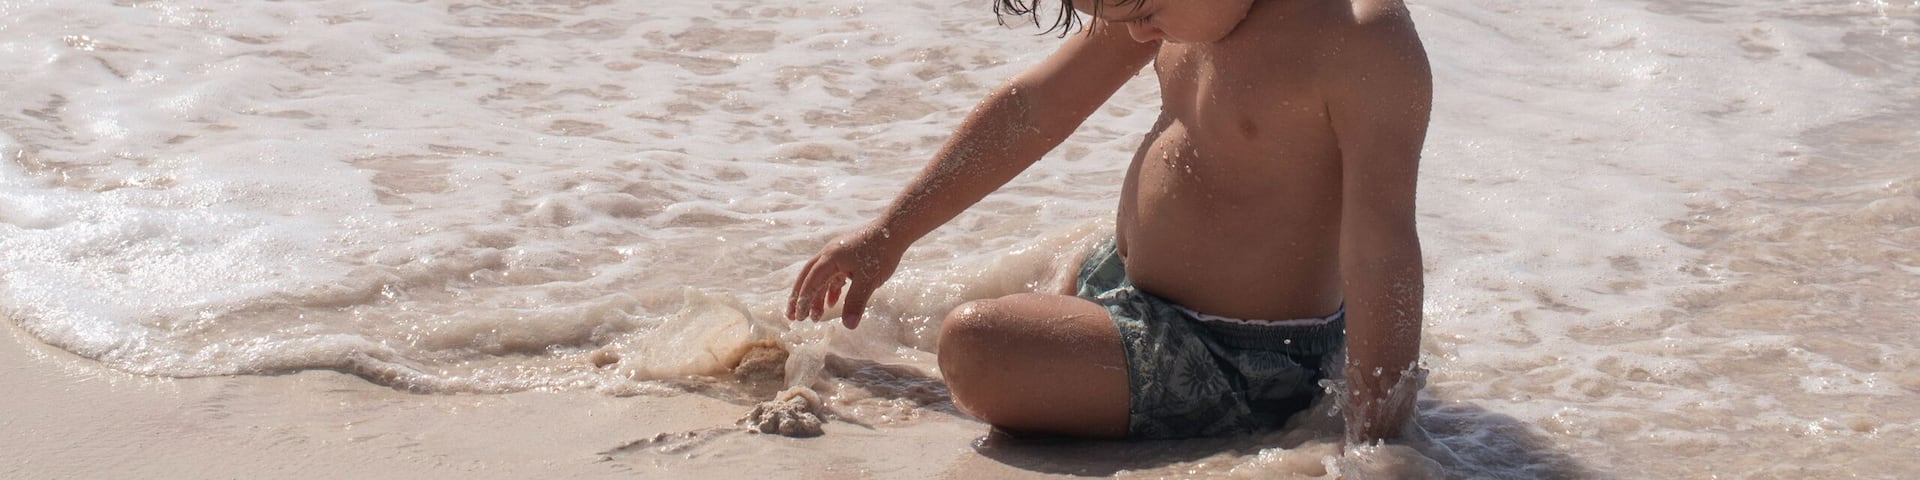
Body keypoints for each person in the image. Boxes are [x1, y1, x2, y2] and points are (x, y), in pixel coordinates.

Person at [785, 0, 1430, 445]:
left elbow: (1382, 248)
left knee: (975, 344)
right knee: (969, 295)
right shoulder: (1166, 6)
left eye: (1147, 15)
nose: (1144, 35)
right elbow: (1034, 109)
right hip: (1129, 285)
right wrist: (888, 234)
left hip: (1237, 357)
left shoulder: (1359, 39)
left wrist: (1376, 441)